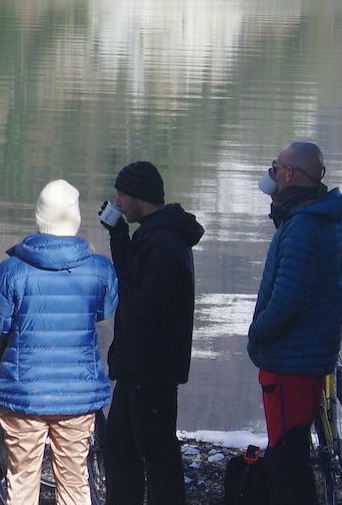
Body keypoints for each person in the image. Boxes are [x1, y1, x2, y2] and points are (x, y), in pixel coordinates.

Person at [0, 179, 118, 505]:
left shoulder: (12, 269)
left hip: (24, 393)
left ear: (39, 218)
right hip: (78, 394)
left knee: (21, 479)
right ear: (75, 219)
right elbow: (105, 310)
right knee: (74, 480)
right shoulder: (99, 268)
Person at [249, 141, 342, 504]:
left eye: (276, 166)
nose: (272, 172)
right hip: (314, 354)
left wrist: (257, 334)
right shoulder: (329, 219)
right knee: (292, 452)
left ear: (290, 173)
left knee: (286, 459)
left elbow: (288, 300)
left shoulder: (303, 228)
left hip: (288, 362)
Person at [98, 160, 204, 505]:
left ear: (138, 196)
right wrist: (119, 236)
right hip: (138, 365)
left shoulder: (164, 242)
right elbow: (135, 281)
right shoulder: (153, 234)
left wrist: (123, 281)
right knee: (120, 447)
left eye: (121, 195)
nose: (118, 202)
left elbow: (147, 303)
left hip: (152, 367)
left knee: (157, 452)